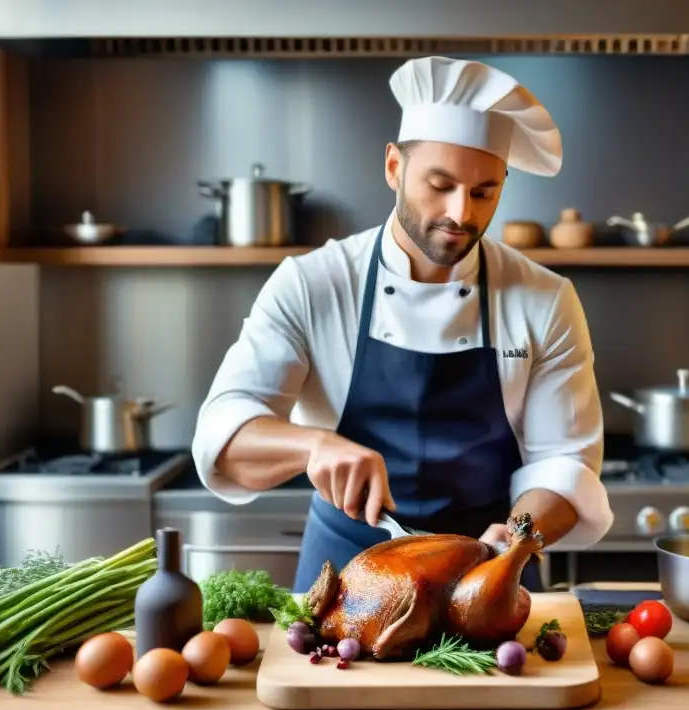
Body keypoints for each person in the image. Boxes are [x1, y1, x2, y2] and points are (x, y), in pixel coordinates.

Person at [191, 55, 613, 593]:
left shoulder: (544, 299)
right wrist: (315, 446)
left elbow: (566, 463)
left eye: (484, 192)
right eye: (439, 184)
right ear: (394, 166)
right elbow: (223, 435)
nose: (461, 213)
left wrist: (517, 535)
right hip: (343, 574)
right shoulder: (313, 282)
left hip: (484, 575)